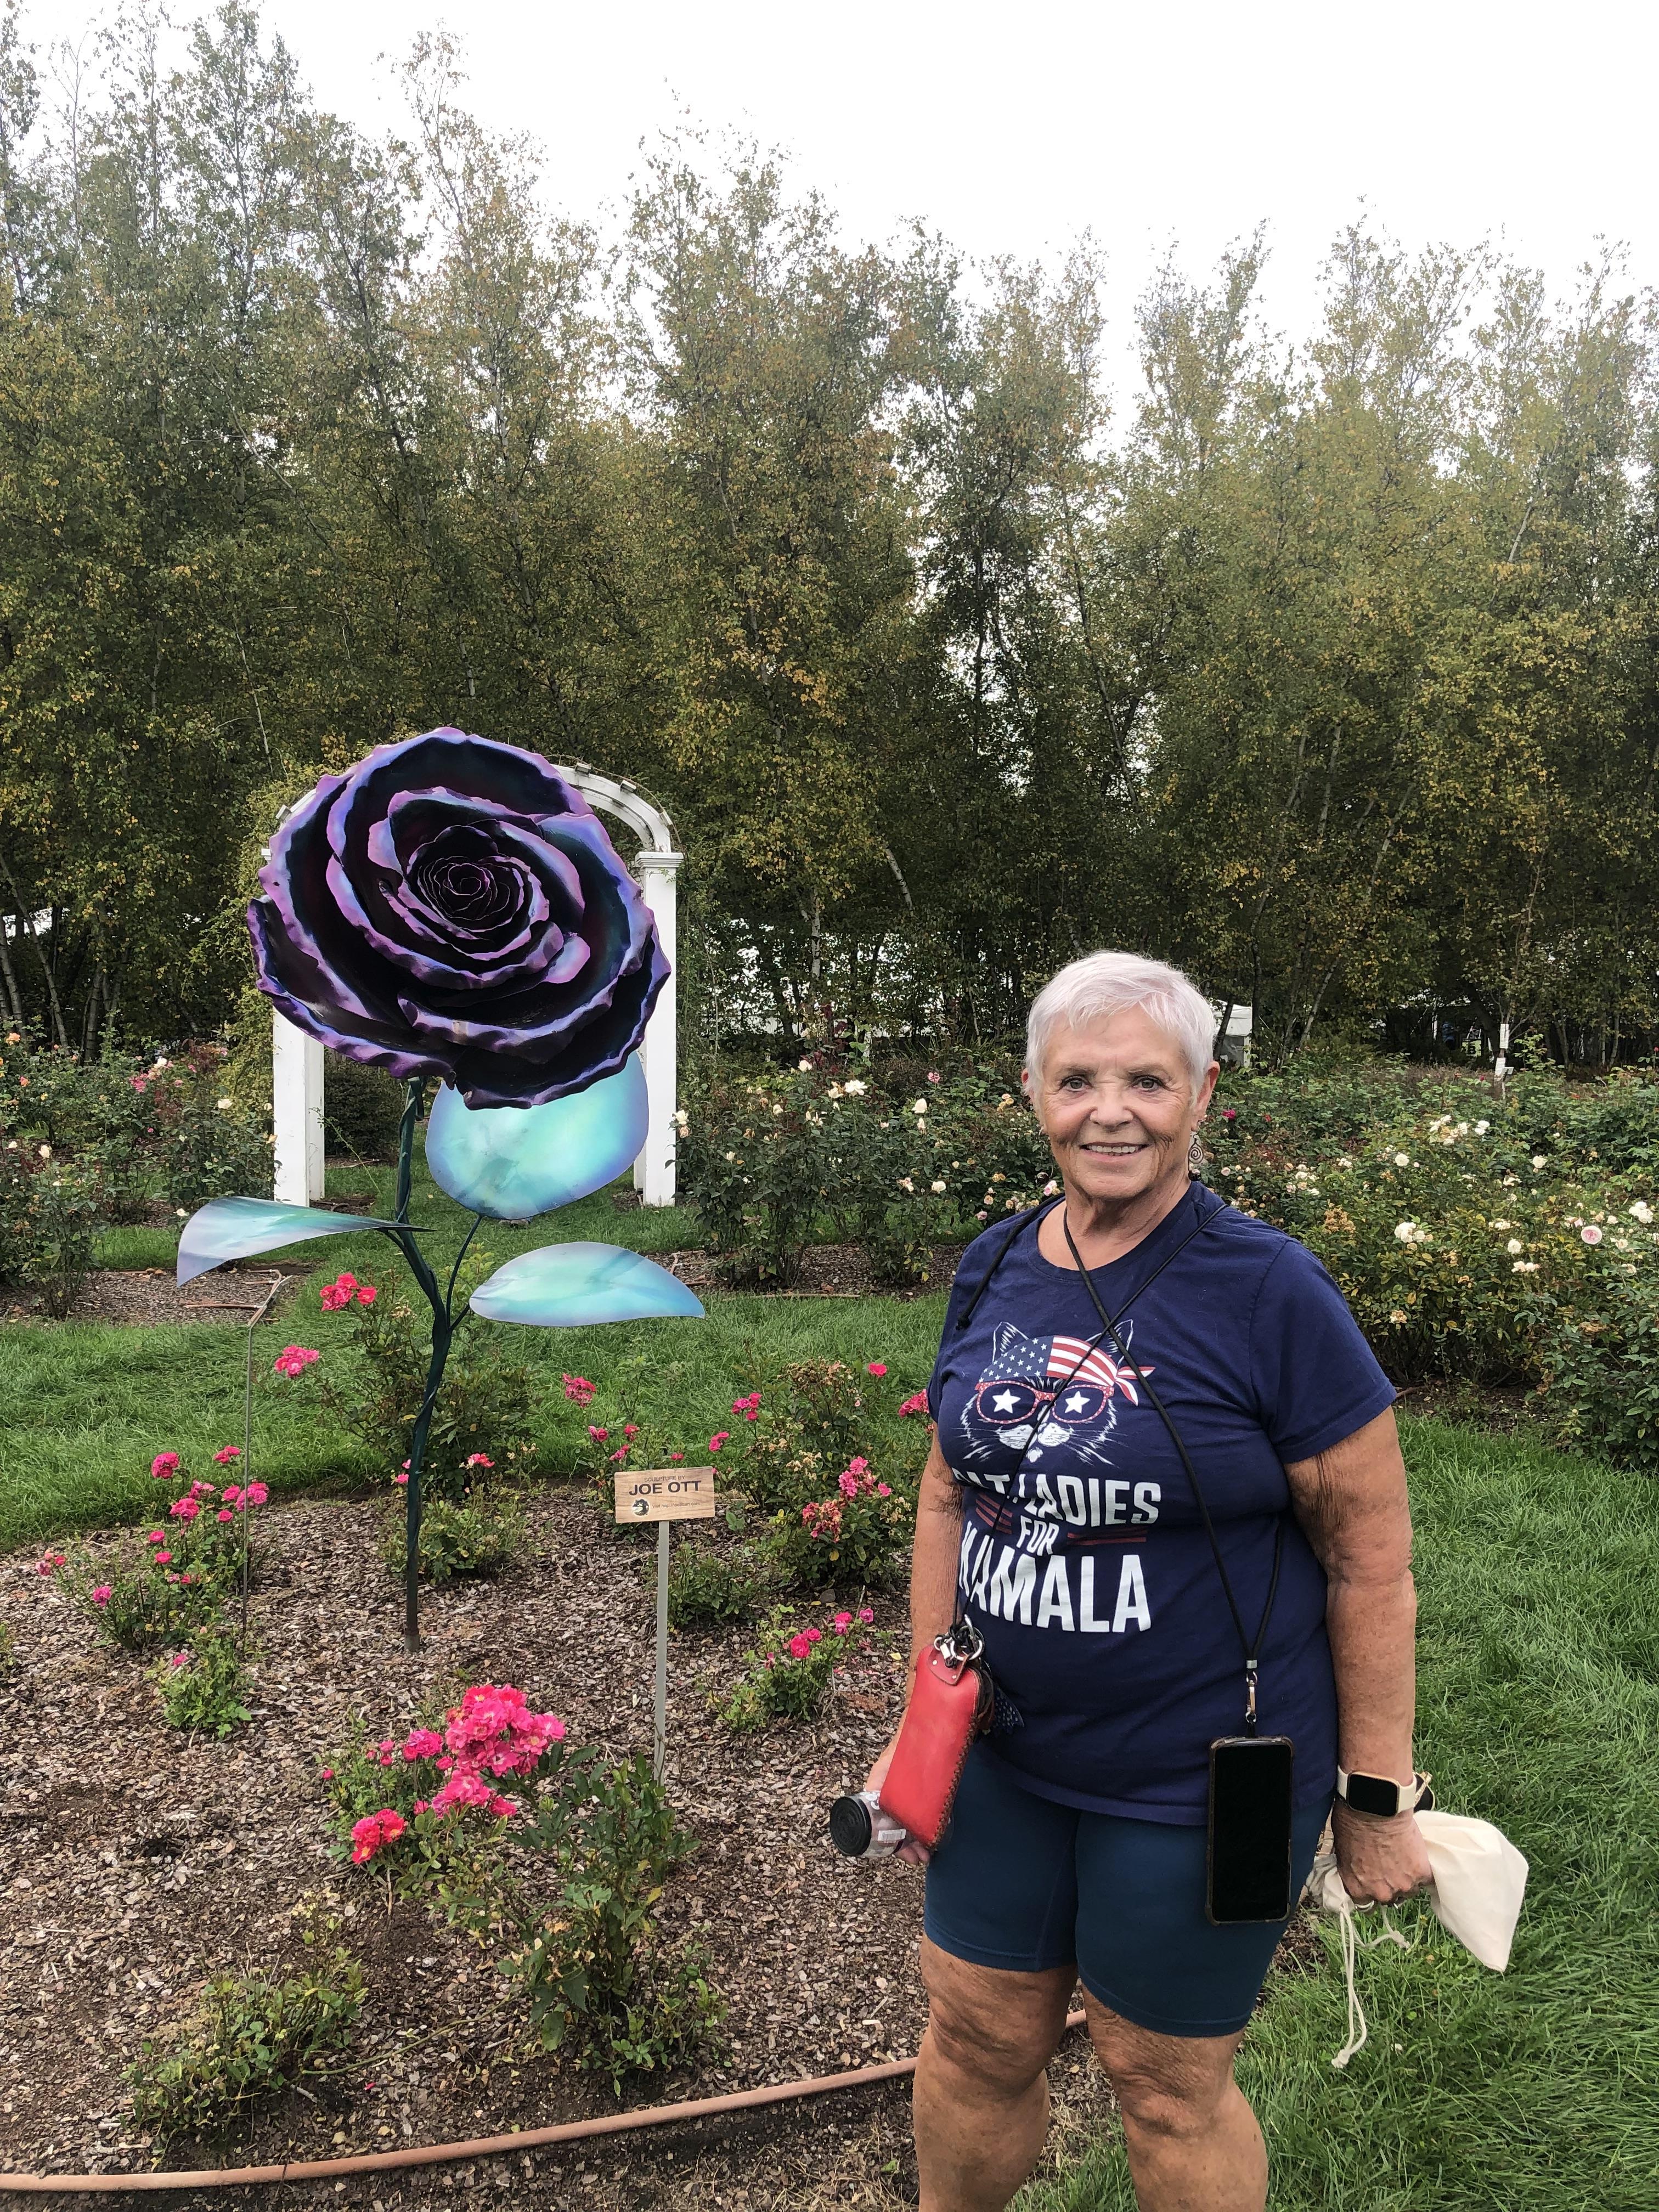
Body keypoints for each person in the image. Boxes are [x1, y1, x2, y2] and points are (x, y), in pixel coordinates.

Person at [866, 951, 1433, 2212]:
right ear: (1032, 1093)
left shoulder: (1268, 1290)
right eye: (1078, 1079)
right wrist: (928, 1710)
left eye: (1146, 1079)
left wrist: (1376, 1795)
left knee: (1163, 2083)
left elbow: (1368, 1557)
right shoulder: (996, 1262)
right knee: (974, 2036)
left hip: (1201, 1777)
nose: (1109, 1109)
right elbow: (951, 1490)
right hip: (1006, 1756)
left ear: (1202, 1096)